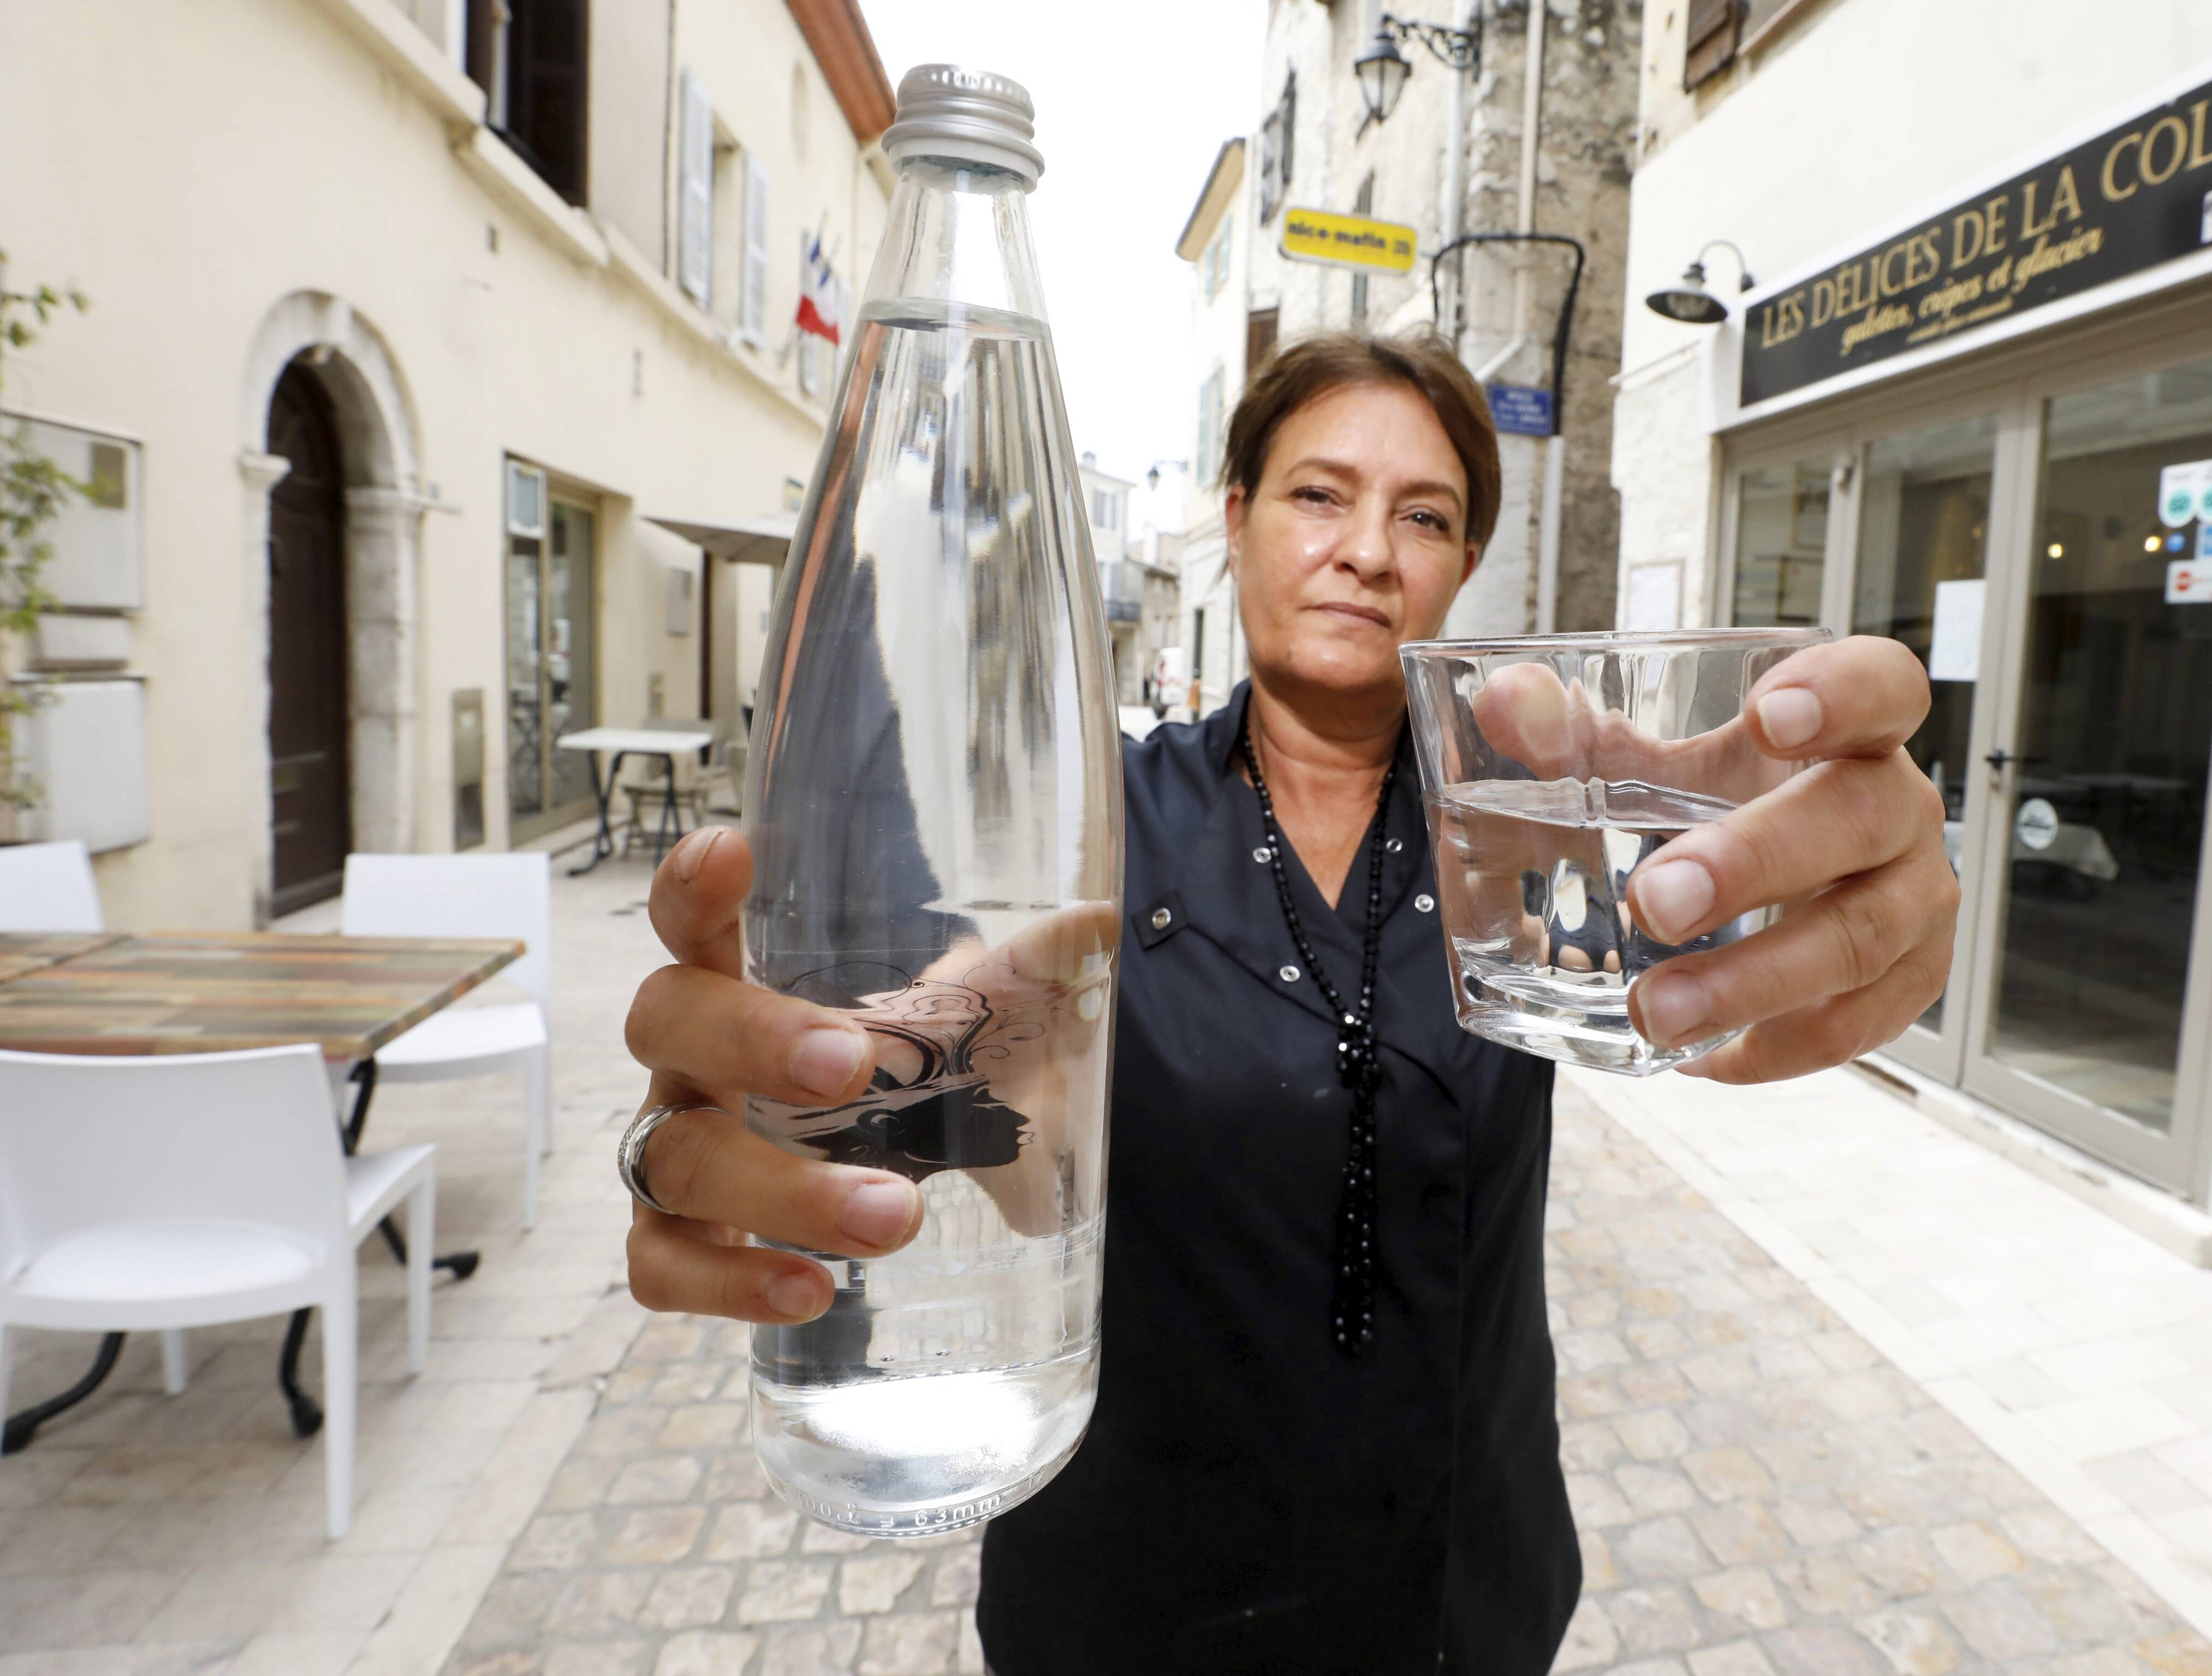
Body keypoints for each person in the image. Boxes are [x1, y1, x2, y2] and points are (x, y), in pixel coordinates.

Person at [619, 331, 1957, 1674]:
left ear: (1461, 572)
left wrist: (1859, 896)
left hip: (1459, 1589)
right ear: (1239, 517)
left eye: (1423, 515)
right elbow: (911, 1066)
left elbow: (1722, 928)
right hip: (1130, 1596)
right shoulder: (1091, 830)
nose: (1370, 548)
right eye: (1321, 494)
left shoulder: (1524, 836)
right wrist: (794, 1107)